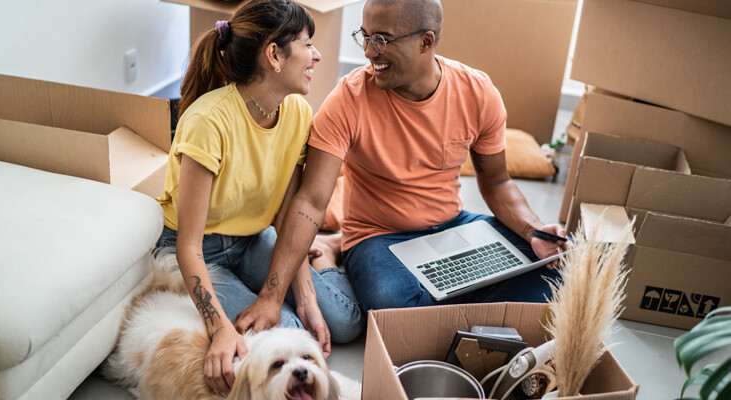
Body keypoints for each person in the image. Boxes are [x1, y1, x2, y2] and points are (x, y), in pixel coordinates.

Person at [234, 0, 572, 329]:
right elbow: (310, 201)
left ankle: (436, 318)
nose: (368, 51)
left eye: (381, 39)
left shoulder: (477, 91)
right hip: (377, 238)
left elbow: (497, 184)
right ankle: (470, 314)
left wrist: (534, 230)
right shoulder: (348, 98)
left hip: (452, 227)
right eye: (364, 36)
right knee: (389, 300)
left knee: (556, 271)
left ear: (426, 41)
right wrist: (271, 297)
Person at [151, 0, 363, 395]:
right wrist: (218, 330)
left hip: (252, 238)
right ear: (274, 55)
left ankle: (327, 253)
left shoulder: (298, 111)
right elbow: (188, 245)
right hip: (200, 253)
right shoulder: (206, 122)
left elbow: (288, 218)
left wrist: (304, 297)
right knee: (293, 336)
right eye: (307, 43)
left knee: (346, 320)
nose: (316, 54)